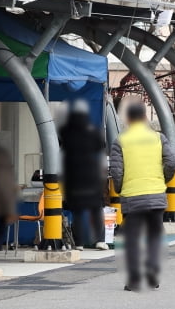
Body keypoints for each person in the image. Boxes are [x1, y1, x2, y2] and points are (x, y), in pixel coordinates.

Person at [110, 102, 175, 291]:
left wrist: (120, 188)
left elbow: (116, 171)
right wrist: (162, 179)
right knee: (155, 235)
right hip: (156, 195)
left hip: (132, 197)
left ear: (128, 119)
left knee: (131, 238)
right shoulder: (158, 138)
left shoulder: (120, 140)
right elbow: (172, 161)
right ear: (145, 117)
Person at [59, 100, 109, 251]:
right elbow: (102, 148)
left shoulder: (66, 134)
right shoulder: (93, 132)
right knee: (96, 210)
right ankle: (100, 240)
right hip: (92, 177)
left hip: (74, 178)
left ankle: (79, 243)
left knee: (79, 212)